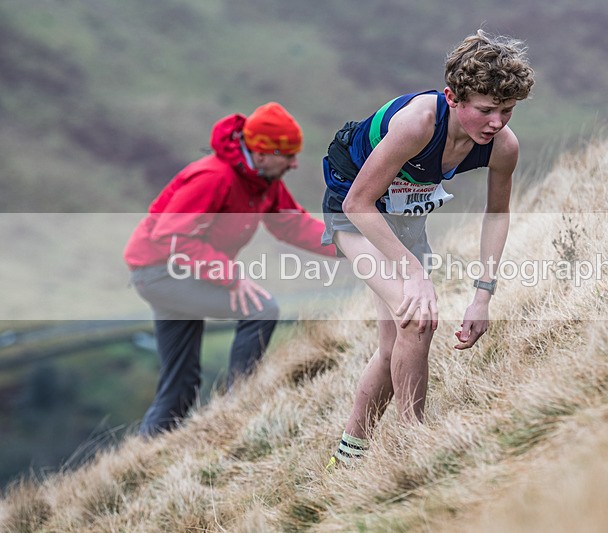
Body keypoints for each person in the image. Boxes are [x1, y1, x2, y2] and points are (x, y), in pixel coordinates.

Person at [322, 30, 534, 468]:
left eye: (508, 111)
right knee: (418, 320)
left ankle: (348, 456)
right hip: (354, 212)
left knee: (393, 346)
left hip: (402, 215)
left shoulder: (503, 147)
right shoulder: (419, 123)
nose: (497, 122)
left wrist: (482, 296)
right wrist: (413, 273)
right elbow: (356, 203)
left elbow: (497, 215)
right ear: (453, 97)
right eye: (487, 110)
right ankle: (413, 446)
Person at [124, 102, 336, 437]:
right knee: (261, 310)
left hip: (181, 272)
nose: (295, 163)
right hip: (159, 274)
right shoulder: (213, 178)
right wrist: (231, 278)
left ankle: (143, 456)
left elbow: (291, 226)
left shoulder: (262, 180)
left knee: (181, 380)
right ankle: (240, 408)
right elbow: (172, 237)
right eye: (288, 155)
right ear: (262, 153)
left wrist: (350, 246)